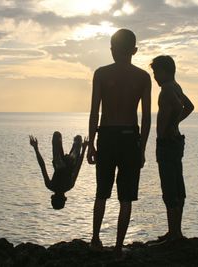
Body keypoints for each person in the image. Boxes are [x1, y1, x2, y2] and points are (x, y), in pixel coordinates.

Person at [87, 29, 151, 257]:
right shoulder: (143, 77)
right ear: (134, 50)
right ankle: (117, 247)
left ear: (113, 50)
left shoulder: (101, 74)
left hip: (107, 135)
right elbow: (146, 118)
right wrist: (141, 148)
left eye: (113, 49)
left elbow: (95, 111)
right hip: (129, 137)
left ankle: (95, 239)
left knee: (101, 192)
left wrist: (91, 143)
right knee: (126, 197)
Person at [150, 55, 194, 242]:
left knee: (169, 188)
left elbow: (178, 107)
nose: (154, 77)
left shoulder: (167, 89)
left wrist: (169, 127)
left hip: (167, 144)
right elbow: (189, 107)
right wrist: (175, 124)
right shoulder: (176, 87)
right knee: (177, 186)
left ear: (165, 71)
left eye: (156, 72)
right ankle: (176, 232)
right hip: (176, 142)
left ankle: (174, 234)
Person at [29, 132, 87, 210]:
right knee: (57, 135)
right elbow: (42, 166)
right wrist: (36, 149)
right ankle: (73, 142)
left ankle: (76, 142)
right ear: (52, 197)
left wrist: (83, 149)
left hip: (68, 163)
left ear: (65, 198)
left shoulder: (69, 186)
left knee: (78, 139)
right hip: (63, 163)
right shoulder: (51, 185)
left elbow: (78, 167)